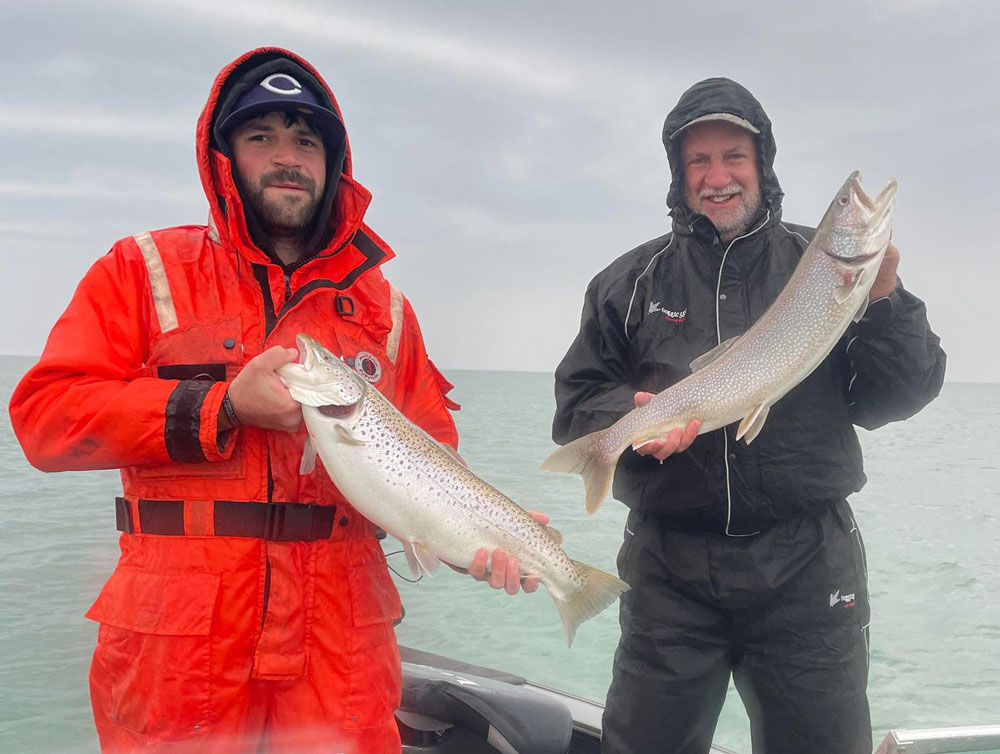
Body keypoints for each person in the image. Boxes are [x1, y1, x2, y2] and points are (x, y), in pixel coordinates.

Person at [9, 47, 535, 754]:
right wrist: (220, 407)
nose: (287, 157)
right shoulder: (141, 270)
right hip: (180, 645)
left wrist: (483, 535)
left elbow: (432, 457)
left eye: (306, 140)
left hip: (340, 641)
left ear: (334, 162)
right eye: (262, 136)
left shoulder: (389, 312)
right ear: (224, 155)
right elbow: (46, 421)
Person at [551, 77, 946, 754]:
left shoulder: (818, 267)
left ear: (761, 164)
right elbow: (577, 397)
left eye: (734, 155)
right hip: (669, 570)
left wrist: (885, 297)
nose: (717, 176)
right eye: (698, 161)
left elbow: (896, 397)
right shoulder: (628, 281)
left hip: (806, 567)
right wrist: (631, 417)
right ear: (679, 177)